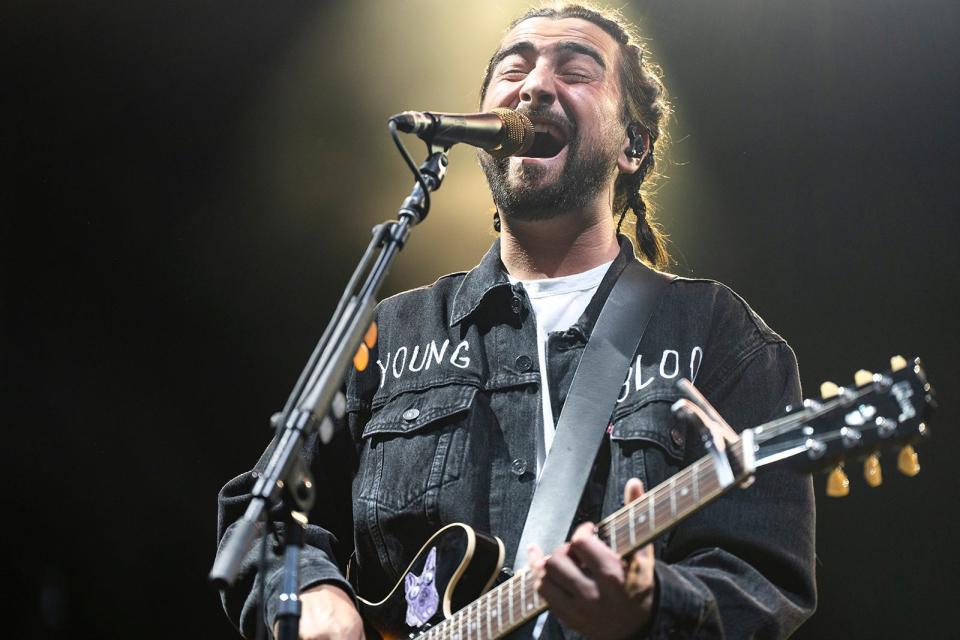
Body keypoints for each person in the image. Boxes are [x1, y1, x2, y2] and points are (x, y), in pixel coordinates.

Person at [216, 4, 816, 639]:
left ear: (633, 145)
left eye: (576, 71)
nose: (533, 86)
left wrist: (650, 607)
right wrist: (313, 590)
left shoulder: (716, 335)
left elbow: (764, 578)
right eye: (514, 69)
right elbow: (261, 513)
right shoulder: (392, 335)